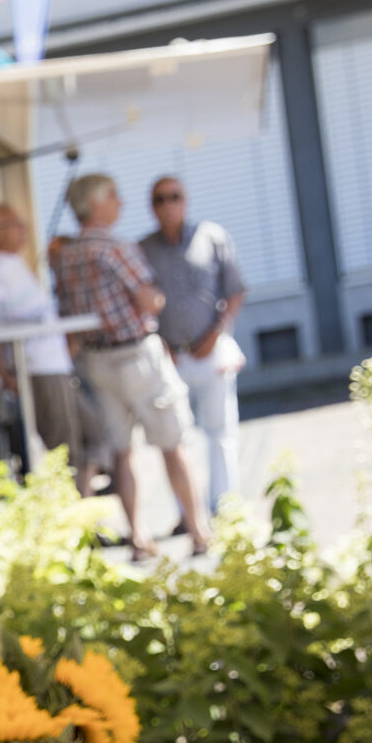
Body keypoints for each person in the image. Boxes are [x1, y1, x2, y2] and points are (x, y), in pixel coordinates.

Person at [51, 173, 212, 558]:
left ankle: (138, 536)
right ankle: (198, 532)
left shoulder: (65, 255)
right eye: (115, 197)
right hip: (136, 354)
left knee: (123, 451)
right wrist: (157, 300)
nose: (122, 203)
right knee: (173, 443)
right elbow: (146, 300)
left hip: (96, 360)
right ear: (99, 203)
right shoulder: (114, 247)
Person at [139, 175, 247, 516]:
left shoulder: (212, 237)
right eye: (160, 199)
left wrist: (217, 333)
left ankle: (226, 505)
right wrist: (160, 344)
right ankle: (188, 514)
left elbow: (235, 290)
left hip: (210, 348)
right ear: (152, 206)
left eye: (174, 196)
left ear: (185, 200)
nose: (168, 204)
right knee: (176, 438)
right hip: (170, 355)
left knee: (220, 431)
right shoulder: (143, 249)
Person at [0, 203, 105, 480]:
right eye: (15, 225)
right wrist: (6, 373)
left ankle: (84, 504)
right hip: (37, 369)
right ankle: (74, 516)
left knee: (94, 436)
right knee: (64, 450)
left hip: (54, 365)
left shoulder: (14, 264)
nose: (24, 231)